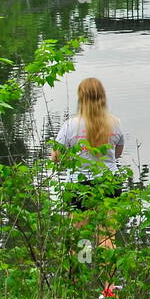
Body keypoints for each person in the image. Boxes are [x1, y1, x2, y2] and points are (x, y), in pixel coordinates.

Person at [51, 78, 126, 252]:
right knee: (107, 237)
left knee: (81, 238)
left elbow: (55, 157)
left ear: (81, 98)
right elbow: (117, 154)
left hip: (79, 186)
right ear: (103, 97)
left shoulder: (70, 126)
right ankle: (109, 279)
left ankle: (79, 277)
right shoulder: (115, 123)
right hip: (109, 183)